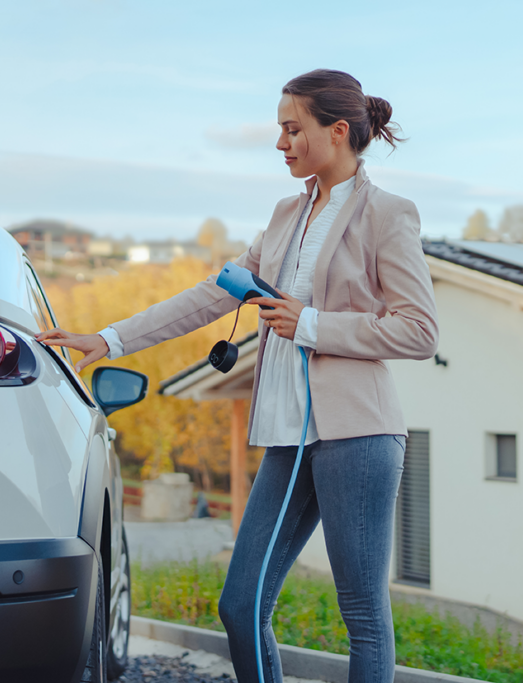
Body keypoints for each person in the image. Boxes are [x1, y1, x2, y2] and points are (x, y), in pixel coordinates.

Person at [37, 68, 439, 683]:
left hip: (358, 434)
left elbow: (419, 330)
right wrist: (108, 339)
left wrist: (312, 324)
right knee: (241, 602)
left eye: (291, 129)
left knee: (361, 611)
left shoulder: (388, 214)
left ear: (336, 131)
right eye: (279, 130)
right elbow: (210, 297)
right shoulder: (284, 216)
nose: (281, 143)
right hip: (288, 435)